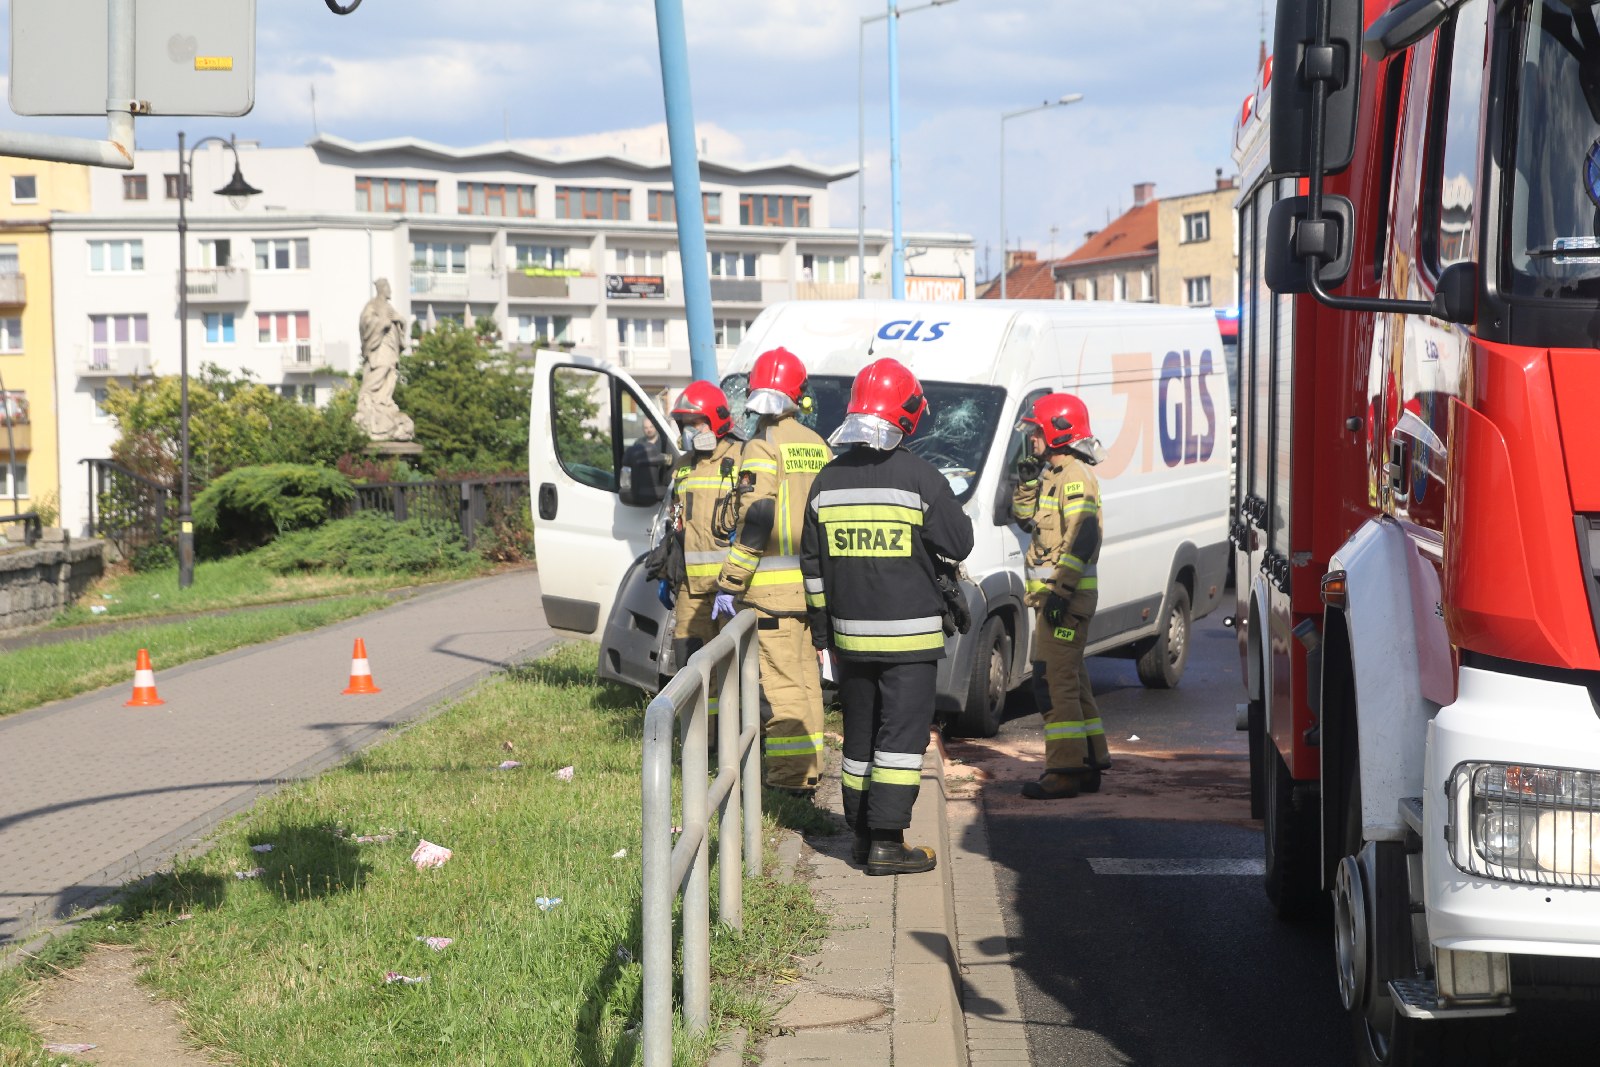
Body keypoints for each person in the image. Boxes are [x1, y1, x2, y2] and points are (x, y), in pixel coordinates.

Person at [801, 358, 974, 876]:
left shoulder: (826, 481)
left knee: (859, 738)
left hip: (849, 642)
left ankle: (859, 836)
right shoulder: (921, 478)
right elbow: (959, 542)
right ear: (908, 413)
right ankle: (887, 843)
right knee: (899, 741)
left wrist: (823, 633)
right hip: (910, 642)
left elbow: (813, 570)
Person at [714, 347, 831, 794]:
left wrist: (730, 581)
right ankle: (812, 769)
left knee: (780, 689)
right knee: (806, 682)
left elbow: (757, 517)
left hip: (771, 595)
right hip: (811, 590)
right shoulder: (818, 445)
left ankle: (788, 781)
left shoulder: (762, 446)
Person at [1011, 392, 1109, 800]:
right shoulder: (1053, 474)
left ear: (1058, 432)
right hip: (1052, 603)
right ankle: (1089, 761)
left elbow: (1083, 539)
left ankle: (1065, 771)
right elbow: (1025, 521)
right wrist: (1026, 483)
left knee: (1053, 683)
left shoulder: (1075, 477)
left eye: (1037, 431)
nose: (1031, 437)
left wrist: (1061, 593)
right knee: (1071, 680)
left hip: (1063, 605)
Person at [660, 382, 742, 735]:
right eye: (685, 425)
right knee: (690, 665)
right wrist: (668, 571)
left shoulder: (741, 460)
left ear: (717, 421)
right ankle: (700, 742)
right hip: (690, 589)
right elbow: (675, 521)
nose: (690, 432)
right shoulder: (682, 466)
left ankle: (733, 739)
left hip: (730, 588)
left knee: (733, 666)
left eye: (696, 423)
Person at [354, 277, 415, 441]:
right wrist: (382, 323)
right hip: (379, 347)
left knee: (390, 374)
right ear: (382, 289)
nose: (390, 291)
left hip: (391, 347)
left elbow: (399, 323)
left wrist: (400, 321)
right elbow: (365, 322)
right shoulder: (372, 305)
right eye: (388, 287)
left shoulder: (389, 307)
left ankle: (383, 401)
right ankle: (366, 396)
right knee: (380, 370)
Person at [623, 417, 668, 506]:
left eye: (651, 427)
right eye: (646, 428)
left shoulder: (664, 443)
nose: (649, 430)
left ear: (655, 427)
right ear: (643, 429)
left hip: (660, 485)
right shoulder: (638, 444)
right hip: (641, 486)